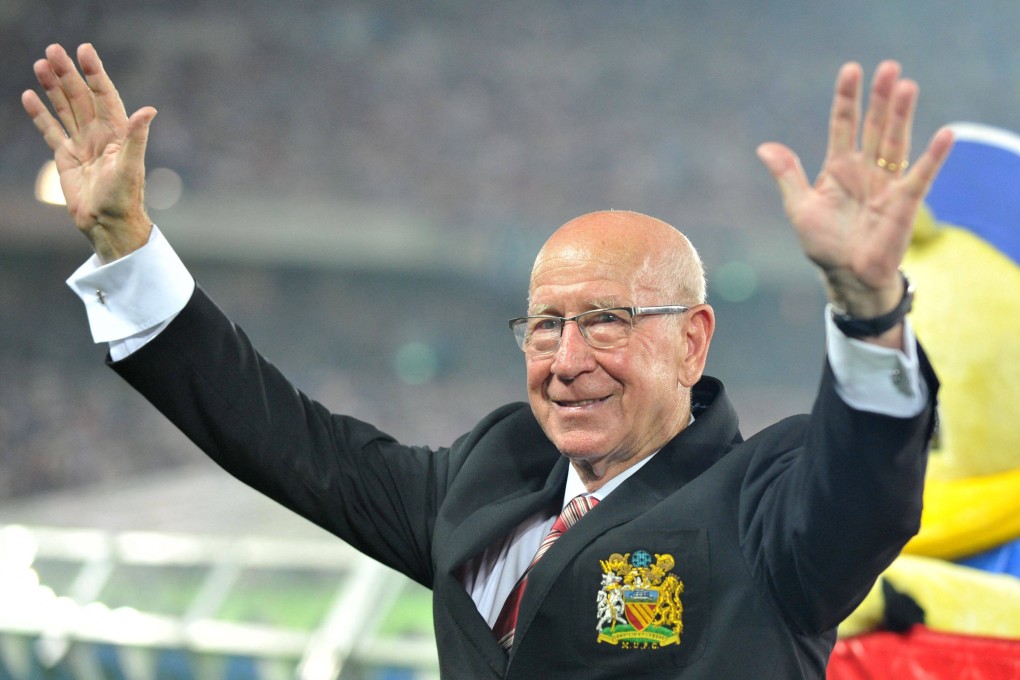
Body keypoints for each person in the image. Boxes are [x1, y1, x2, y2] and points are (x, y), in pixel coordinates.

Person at [23, 43, 952, 679]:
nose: (567, 358)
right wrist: (128, 244)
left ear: (693, 340)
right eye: (545, 326)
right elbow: (286, 439)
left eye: (607, 321)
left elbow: (866, 478)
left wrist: (867, 309)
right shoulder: (493, 472)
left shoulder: (767, 495)